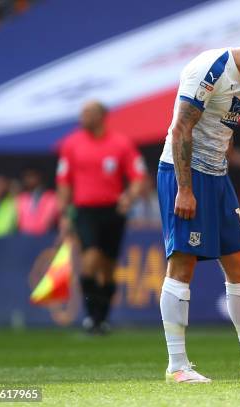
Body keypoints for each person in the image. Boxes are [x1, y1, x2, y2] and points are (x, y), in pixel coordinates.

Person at [157, 26, 240, 383]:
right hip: (185, 175)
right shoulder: (210, 68)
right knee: (183, 264)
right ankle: (177, 366)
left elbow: (220, 131)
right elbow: (180, 129)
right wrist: (185, 190)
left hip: (218, 178)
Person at [56, 100, 145, 334]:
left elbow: (137, 175)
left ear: (101, 116)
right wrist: (65, 213)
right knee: (91, 258)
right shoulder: (71, 144)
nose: (82, 117)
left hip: (113, 211)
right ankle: (91, 315)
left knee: (108, 267)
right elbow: (64, 181)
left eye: (88, 113)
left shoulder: (121, 144)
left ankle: (101, 319)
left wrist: (129, 196)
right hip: (85, 211)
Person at [16, 168, 59, 235]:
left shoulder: (51, 197)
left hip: (45, 237)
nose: (28, 179)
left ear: (39, 177)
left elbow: (47, 221)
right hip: (25, 238)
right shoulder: (21, 198)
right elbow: (20, 222)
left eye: (31, 176)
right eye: (26, 176)